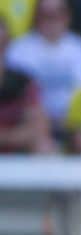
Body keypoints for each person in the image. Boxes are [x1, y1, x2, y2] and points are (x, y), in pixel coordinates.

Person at [5, 0, 81, 133]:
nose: (51, 20)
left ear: (67, 16)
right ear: (36, 17)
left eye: (56, 14)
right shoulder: (19, 49)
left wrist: (70, 119)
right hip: (30, 125)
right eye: (45, 14)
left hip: (73, 124)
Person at [0, 13, 56, 154]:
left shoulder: (22, 81)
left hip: (15, 150)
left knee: (46, 146)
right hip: (13, 139)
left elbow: (39, 127)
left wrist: (7, 137)